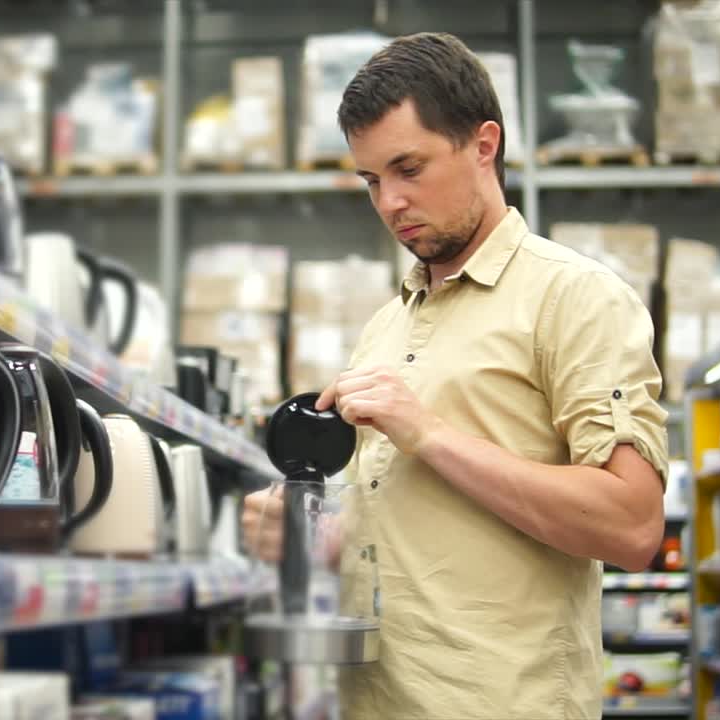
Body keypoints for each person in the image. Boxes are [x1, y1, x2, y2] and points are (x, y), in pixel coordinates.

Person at [242, 32, 668, 718]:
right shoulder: (387, 327)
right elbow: (423, 529)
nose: (390, 204)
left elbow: (633, 525)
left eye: (409, 168)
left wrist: (429, 433)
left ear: (484, 145)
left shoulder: (574, 298)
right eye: (372, 180)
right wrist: (315, 537)